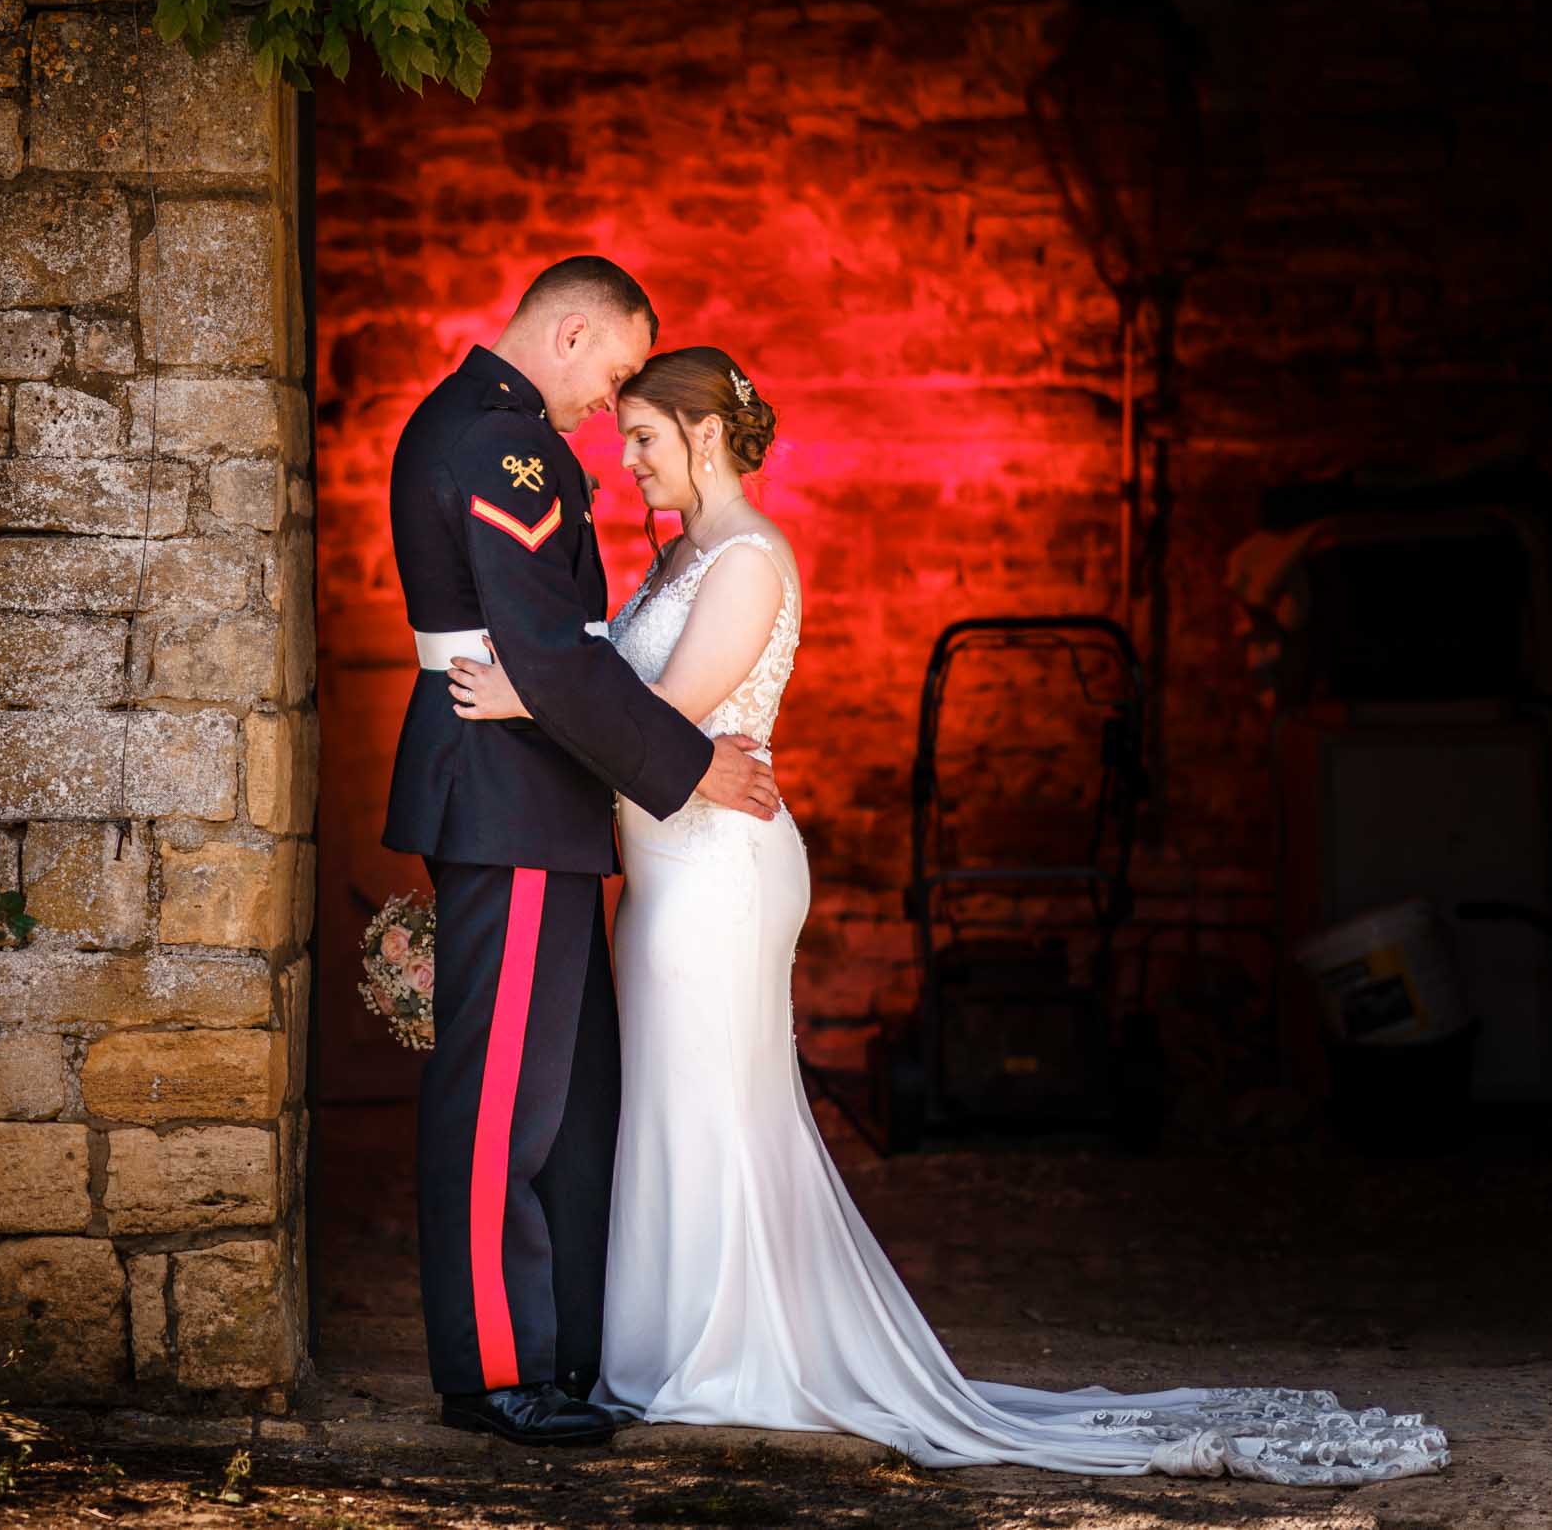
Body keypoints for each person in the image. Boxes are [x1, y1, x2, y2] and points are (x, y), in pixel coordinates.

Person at [443, 346, 1452, 1483]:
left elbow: (660, 708)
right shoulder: (677, 559)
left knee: (713, 1099)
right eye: (621, 439)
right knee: (674, 1101)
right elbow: (633, 705)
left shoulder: (747, 560)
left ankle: (727, 1351)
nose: (622, 461)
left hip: (720, 870)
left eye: (641, 439)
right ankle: (677, 1340)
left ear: (704, 436)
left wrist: (526, 694)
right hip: (668, 864)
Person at [381, 256, 780, 1446]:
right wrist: (689, 766)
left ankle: (551, 1352)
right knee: (500, 1099)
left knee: (563, 1100)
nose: (604, 410)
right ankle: (492, 1368)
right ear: (565, 336)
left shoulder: (489, 432)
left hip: (531, 799)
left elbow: (554, 654)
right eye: (608, 378)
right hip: (502, 799)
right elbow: (548, 651)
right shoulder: (499, 445)